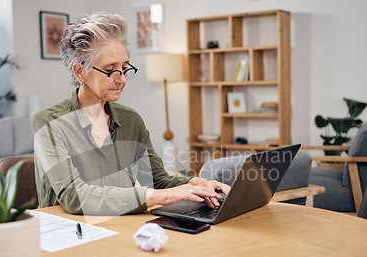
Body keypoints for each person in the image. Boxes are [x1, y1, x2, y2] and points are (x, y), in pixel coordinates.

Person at [32, 12, 230, 216]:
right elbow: (75, 197)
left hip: (120, 227)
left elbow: (158, 180)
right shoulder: (49, 123)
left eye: (125, 68)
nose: (123, 79)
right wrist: (159, 197)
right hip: (68, 234)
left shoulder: (131, 120)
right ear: (80, 72)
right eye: (111, 70)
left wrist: (194, 183)